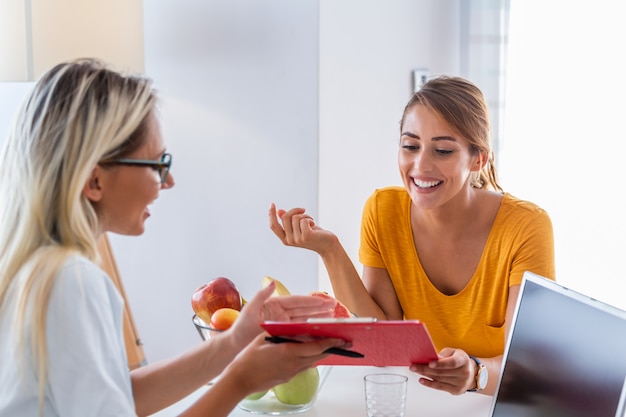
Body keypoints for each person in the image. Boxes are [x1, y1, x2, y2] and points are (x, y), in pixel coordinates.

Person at [0, 59, 346, 417]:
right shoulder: (73, 281)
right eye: (156, 164)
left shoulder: (35, 270)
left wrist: (231, 344)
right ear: (94, 181)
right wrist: (241, 380)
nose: (168, 181)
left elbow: (117, 397)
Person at [269, 75, 555, 396]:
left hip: (493, 407)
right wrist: (330, 250)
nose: (421, 165)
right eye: (410, 146)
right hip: (419, 402)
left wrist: (475, 373)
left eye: (443, 150)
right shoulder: (383, 210)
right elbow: (385, 338)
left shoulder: (527, 227)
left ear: (479, 158)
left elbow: (529, 368)